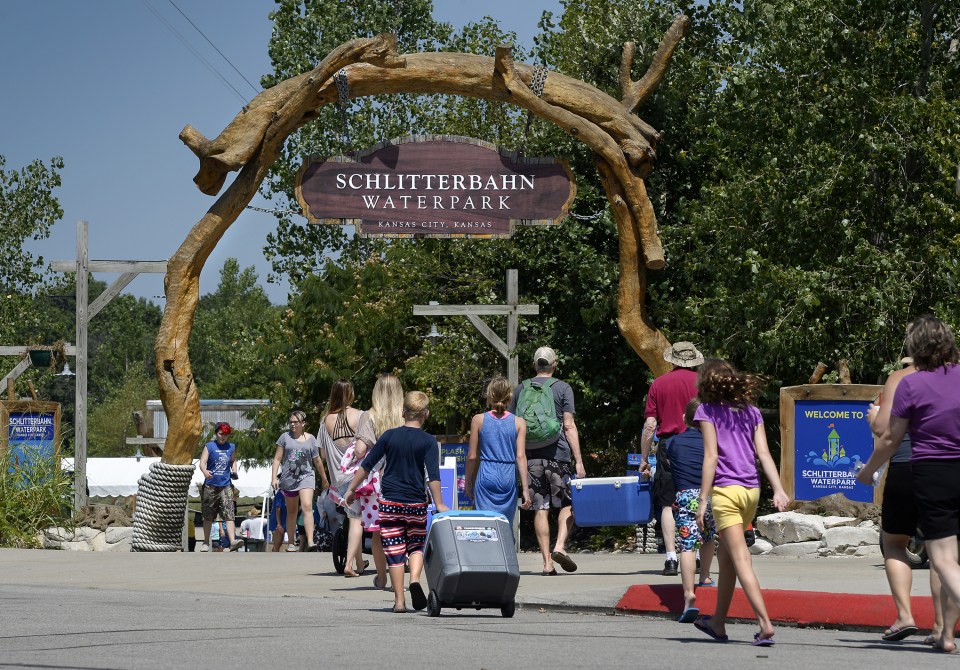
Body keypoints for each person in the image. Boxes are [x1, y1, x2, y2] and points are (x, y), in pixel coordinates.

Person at [858, 316, 960, 653]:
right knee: (946, 554)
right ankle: (944, 632)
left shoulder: (907, 383)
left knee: (930, 553)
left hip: (928, 470)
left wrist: (869, 468)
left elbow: (888, 436)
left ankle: (907, 616)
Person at [692, 358, 790, 646]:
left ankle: (765, 624)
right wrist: (779, 489)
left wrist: (702, 500)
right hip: (751, 492)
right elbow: (764, 453)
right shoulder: (752, 411)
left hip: (725, 492)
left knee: (741, 560)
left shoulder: (706, 410)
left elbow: (711, 457)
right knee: (728, 559)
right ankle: (718, 623)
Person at [863, 356, 945, 644]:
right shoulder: (954, 376)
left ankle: (905, 616)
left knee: (894, 543)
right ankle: (941, 627)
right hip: (947, 470)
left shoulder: (900, 378)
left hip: (906, 465)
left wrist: (874, 419)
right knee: (942, 552)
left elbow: (884, 431)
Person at [344, 391, 449, 613]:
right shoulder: (429, 441)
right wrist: (439, 504)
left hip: (390, 502)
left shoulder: (389, 436)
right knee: (416, 546)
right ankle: (415, 579)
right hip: (416, 504)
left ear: (403, 413)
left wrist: (351, 489)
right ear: (426, 415)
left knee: (394, 551)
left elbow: (367, 465)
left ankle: (400, 602)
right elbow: (432, 476)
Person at [509, 346, 585, 575]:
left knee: (540, 508)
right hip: (558, 456)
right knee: (568, 504)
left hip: (531, 457)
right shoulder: (562, 388)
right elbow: (569, 425)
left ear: (535, 365)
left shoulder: (521, 388)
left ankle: (546, 563)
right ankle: (560, 546)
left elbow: (514, 425)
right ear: (554, 364)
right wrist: (579, 460)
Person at [641, 341, 703, 576]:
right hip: (698, 443)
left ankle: (670, 558)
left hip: (668, 446)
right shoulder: (701, 384)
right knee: (697, 497)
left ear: (673, 359)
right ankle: (695, 555)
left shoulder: (658, 384)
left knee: (666, 502)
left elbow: (650, 425)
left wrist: (645, 457)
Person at [662, 398, 716, 622]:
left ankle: (688, 595)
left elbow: (669, 464)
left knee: (687, 546)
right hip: (710, 495)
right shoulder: (712, 442)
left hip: (685, 495)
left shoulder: (672, 443)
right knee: (708, 536)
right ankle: (704, 576)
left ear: (684, 418)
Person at [353, 373, 404, 590]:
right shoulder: (405, 415)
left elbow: (360, 450)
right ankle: (398, 580)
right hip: (402, 477)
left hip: (376, 481)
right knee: (399, 531)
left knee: (377, 532)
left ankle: (382, 578)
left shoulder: (368, 416)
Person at [465, 377, 532, 531]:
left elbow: (472, 456)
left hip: (487, 474)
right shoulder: (519, 422)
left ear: (490, 396)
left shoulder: (478, 420)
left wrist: (468, 483)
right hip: (508, 477)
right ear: (509, 396)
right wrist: (526, 491)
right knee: (504, 527)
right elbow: (520, 457)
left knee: (484, 528)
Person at [321, 379, 368, 577]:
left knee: (351, 517)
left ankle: (359, 563)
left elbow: (323, 454)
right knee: (357, 520)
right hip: (357, 477)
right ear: (350, 393)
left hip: (337, 478)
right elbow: (364, 449)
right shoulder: (361, 416)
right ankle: (349, 564)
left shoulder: (325, 420)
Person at [271, 410, 330, 553]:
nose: (292, 424)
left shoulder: (311, 439)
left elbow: (317, 460)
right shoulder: (284, 437)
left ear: (303, 423)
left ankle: (310, 541)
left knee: (307, 506)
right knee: (291, 512)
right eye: (290, 422)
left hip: (306, 477)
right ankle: (291, 542)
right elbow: (277, 458)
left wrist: (324, 478)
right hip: (288, 479)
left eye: (295, 422)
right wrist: (273, 477)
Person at [198, 421, 243, 552]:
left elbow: (232, 461)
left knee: (229, 513)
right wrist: (205, 472)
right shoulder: (209, 446)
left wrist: (234, 470)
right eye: (221, 434)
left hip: (226, 485)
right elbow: (202, 463)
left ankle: (233, 540)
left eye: (226, 435)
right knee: (208, 515)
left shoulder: (231, 447)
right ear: (216, 433)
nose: (223, 437)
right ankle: (206, 542)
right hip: (211, 486)